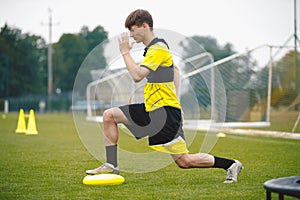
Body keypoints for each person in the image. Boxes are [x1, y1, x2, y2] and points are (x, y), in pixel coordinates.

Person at [86, 9, 242, 183]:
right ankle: (111, 165)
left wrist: (124, 52)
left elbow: (137, 75)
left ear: (144, 26)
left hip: (164, 113)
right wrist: (176, 101)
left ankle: (231, 164)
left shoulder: (158, 49)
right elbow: (175, 70)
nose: (131, 35)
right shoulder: (155, 49)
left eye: (133, 30)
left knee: (184, 161)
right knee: (109, 115)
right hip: (152, 108)